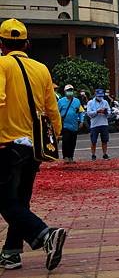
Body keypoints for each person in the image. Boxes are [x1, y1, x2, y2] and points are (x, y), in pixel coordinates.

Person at [0, 19, 67, 271]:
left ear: (1, 44)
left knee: (5, 201)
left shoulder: (1, 64)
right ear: (27, 43)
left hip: (6, 143)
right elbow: (52, 109)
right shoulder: (41, 69)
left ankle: (45, 234)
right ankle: (11, 253)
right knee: (20, 200)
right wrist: (55, 137)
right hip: (34, 147)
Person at [58, 84, 84, 163]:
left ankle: (71, 157)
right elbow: (56, 113)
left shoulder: (77, 101)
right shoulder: (60, 101)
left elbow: (80, 112)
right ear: (65, 92)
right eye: (68, 91)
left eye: (71, 90)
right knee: (66, 141)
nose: (70, 92)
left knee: (73, 142)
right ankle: (65, 157)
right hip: (65, 125)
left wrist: (82, 121)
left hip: (74, 125)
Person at [86, 89, 111, 161]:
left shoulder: (105, 102)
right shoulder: (90, 103)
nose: (100, 97)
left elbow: (109, 112)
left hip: (104, 123)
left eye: (101, 96)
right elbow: (89, 113)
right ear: (96, 95)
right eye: (99, 96)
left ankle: (105, 154)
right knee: (93, 141)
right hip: (94, 124)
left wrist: (105, 112)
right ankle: (93, 155)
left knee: (105, 140)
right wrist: (97, 111)